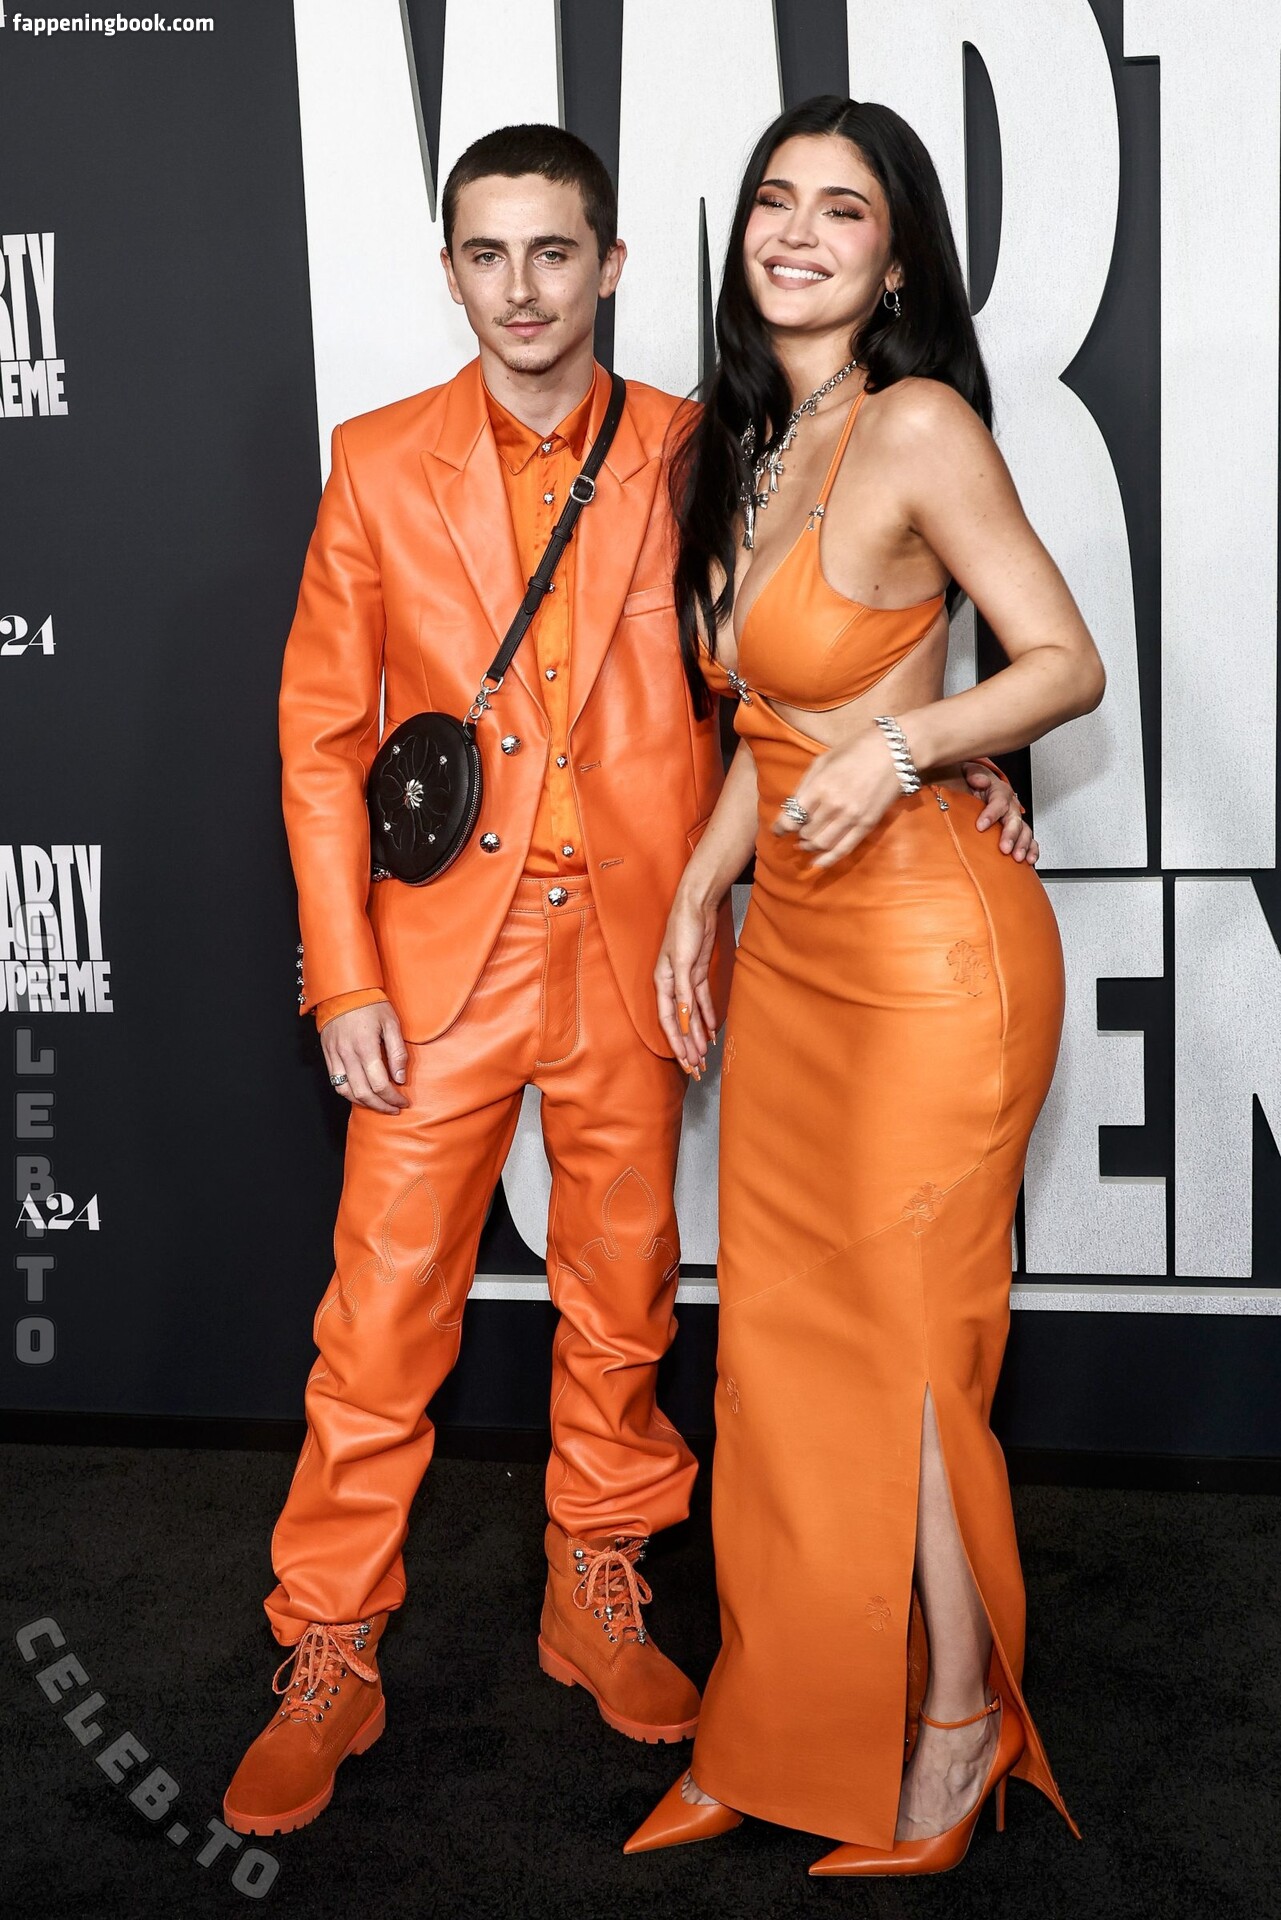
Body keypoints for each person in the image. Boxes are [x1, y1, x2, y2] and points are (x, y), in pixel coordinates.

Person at [222, 119, 1032, 1840]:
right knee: (378, 1319)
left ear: (609, 265)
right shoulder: (376, 461)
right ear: (450, 272)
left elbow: (818, 654)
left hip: (639, 948)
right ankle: (329, 1648)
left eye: (554, 251)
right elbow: (319, 740)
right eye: (487, 254)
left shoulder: (699, 445)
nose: (521, 288)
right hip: (437, 964)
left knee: (624, 1300)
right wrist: (342, 974)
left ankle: (596, 1586)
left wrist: (963, 754)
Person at [626, 96, 1103, 1879]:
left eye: (844, 209)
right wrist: (697, 888)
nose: (798, 232)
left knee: (900, 1355)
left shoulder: (916, 424)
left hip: (931, 955)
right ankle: (777, 1727)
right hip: (799, 950)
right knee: (777, 1351)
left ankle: (960, 1722)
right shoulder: (746, 441)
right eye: (775, 199)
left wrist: (911, 746)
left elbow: (1062, 663)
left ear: (896, 262)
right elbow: (773, 721)